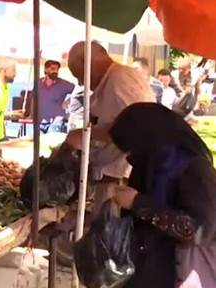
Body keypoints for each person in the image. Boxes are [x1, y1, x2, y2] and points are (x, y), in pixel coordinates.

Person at [108, 103, 216, 288]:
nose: (129, 157)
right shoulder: (150, 163)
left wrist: (138, 203)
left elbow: (200, 231)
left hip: (180, 273)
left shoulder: (195, 169)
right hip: (145, 267)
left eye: (132, 149)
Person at [65, 41, 155, 218]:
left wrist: (86, 135)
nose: (80, 82)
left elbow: (137, 127)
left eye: (78, 75)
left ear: (87, 64)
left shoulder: (120, 79)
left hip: (121, 181)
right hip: (112, 177)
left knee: (108, 234)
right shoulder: (114, 79)